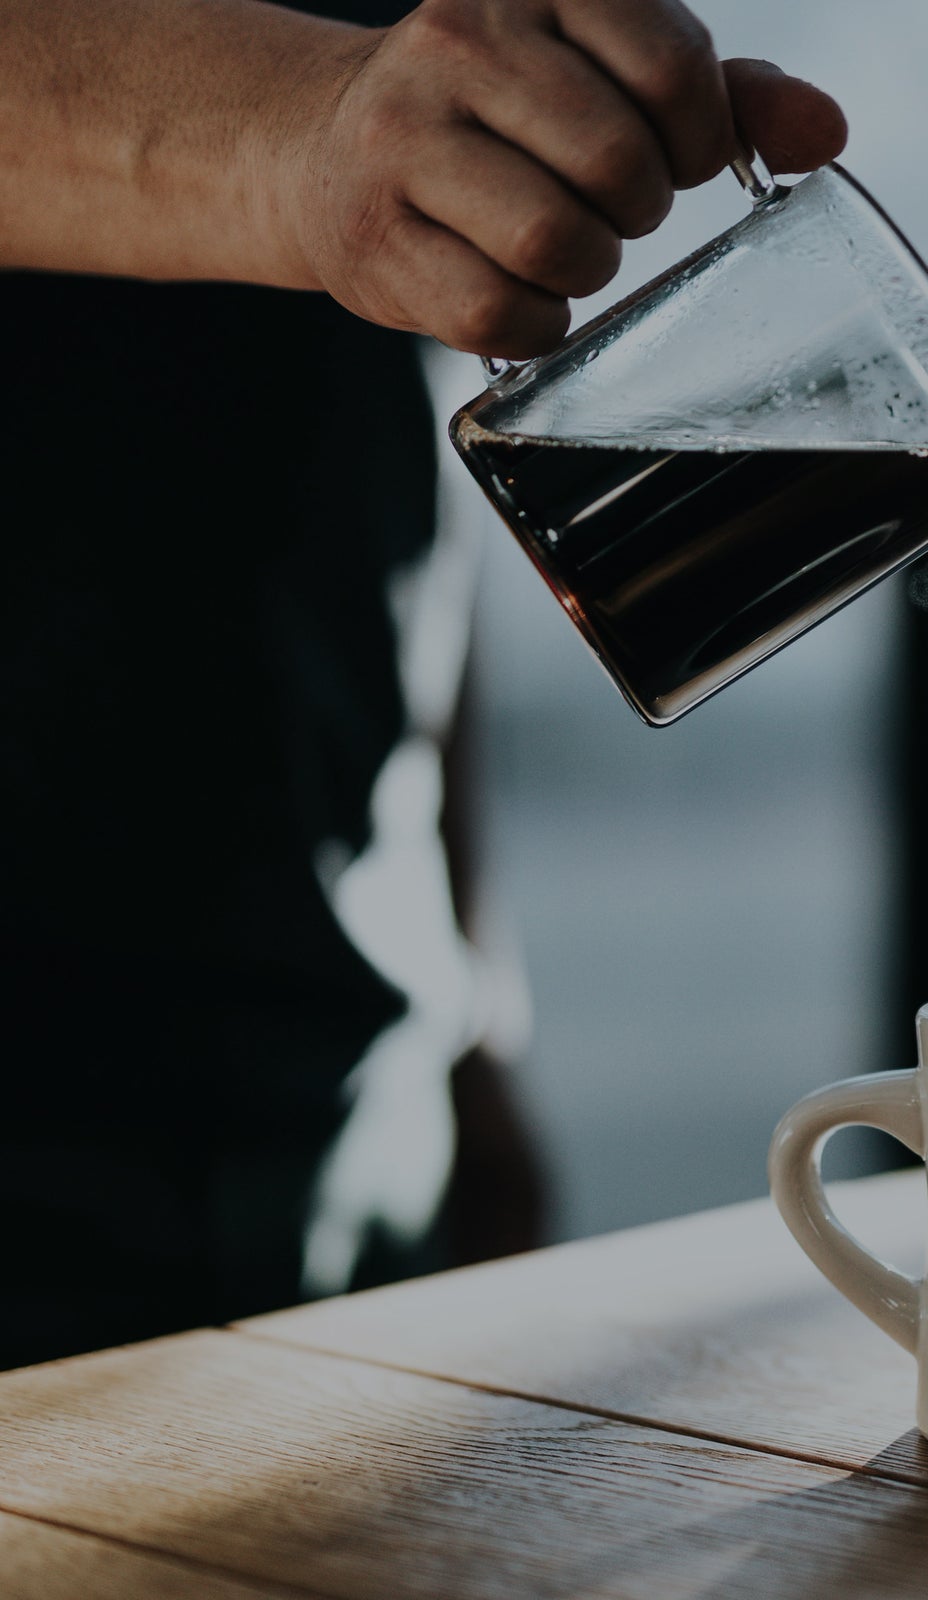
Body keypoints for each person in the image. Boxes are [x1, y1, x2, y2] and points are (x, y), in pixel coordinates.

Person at [0, 0, 846, 1370]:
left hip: (350, 1067)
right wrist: (290, 132)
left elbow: (384, 428)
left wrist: (474, 1004)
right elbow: (356, 152)